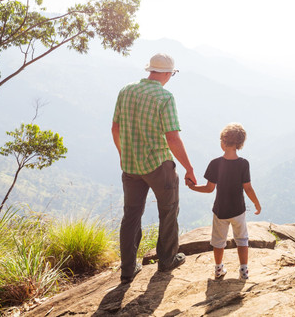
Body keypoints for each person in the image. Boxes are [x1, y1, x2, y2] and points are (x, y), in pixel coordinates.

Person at [112, 53, 197, 284]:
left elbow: (115, 128)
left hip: (130, 166)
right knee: (168, 210)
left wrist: (124, 155)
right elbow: (172, 138)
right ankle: (167, 260)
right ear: (168, 73)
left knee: (131, 215)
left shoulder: (126, 91)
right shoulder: (165, 97)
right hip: (158, 165)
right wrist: (189, 168)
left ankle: (128, 270)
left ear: (150, 70)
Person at [187, 122, 261, 280]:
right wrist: (256, 203)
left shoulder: (215, 163)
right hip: (238, 210)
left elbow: (209, 188)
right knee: (242, 239)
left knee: (218, 241)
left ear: (223, 142)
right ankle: (243, 271)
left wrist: (193, 187)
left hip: (220, 210)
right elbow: (248, 188)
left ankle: (219, 270)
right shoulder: (243, 164)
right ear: (239, 144)